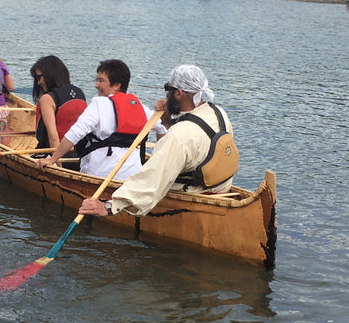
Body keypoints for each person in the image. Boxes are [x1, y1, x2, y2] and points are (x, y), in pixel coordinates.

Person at [78, 64, 239, 217]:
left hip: (194, 194)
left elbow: (152, 180)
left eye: (167, 89)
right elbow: (192, 142)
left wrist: (109, 206)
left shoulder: (177, 137)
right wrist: (168, 116)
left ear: (179, 93)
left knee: (150, 175)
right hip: (221, 189)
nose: (166, 94)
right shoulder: (218, 113)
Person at [36, 59, 167, 180]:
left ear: (116, 85)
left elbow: (75, 134)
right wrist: (157, 160)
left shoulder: (98, 104)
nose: (96, 85)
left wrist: (52, 160)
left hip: (100, 174)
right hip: (132, 176)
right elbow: (162, 129)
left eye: (100, 80)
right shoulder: (141, 108)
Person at [30, 55, 87, 169]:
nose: (39, 82)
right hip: (82, 155)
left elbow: (53, 137)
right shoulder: (79, 92)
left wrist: (59, 167)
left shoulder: (47, 98)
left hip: (59, 155)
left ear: (49, 74)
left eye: (39, 77)